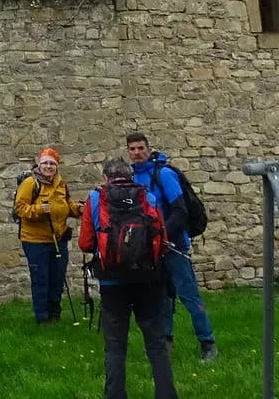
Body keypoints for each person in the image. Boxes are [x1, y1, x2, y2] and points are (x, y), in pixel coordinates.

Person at [82, 158, 179, 399]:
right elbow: (162, 239)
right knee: (156, 345)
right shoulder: (148, 198)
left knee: (115, 347)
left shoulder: (95, 199)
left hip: (112, 282)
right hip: (148, 279)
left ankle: (115, 395)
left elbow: (85, 243)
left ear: (106, 178)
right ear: (130, 176)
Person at [128, 131, 216, 360]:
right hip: (152, 249)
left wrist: (162, 233)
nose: (137, 153)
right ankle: (165, 341)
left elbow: (180, 210)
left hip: (174, 246)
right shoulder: (133, 178)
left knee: (189, 296)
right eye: (132, 149)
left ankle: (207, 342)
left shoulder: (164, 174)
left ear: (148, 149)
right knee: (161, 298)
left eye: (140, 148)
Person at [16, 148, 78, 324]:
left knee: (57, 278)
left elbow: (67, 205)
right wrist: (39, 210)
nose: (48, 166)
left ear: (57, 166)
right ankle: (42, 318)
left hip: (58, 239)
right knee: (41, 280)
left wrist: (80, 209)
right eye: (45, 163)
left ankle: (55, 315)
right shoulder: (30, 183)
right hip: (35, 241)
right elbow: (19, 208)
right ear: (39, 164)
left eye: (52, 164)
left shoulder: (61, 184)